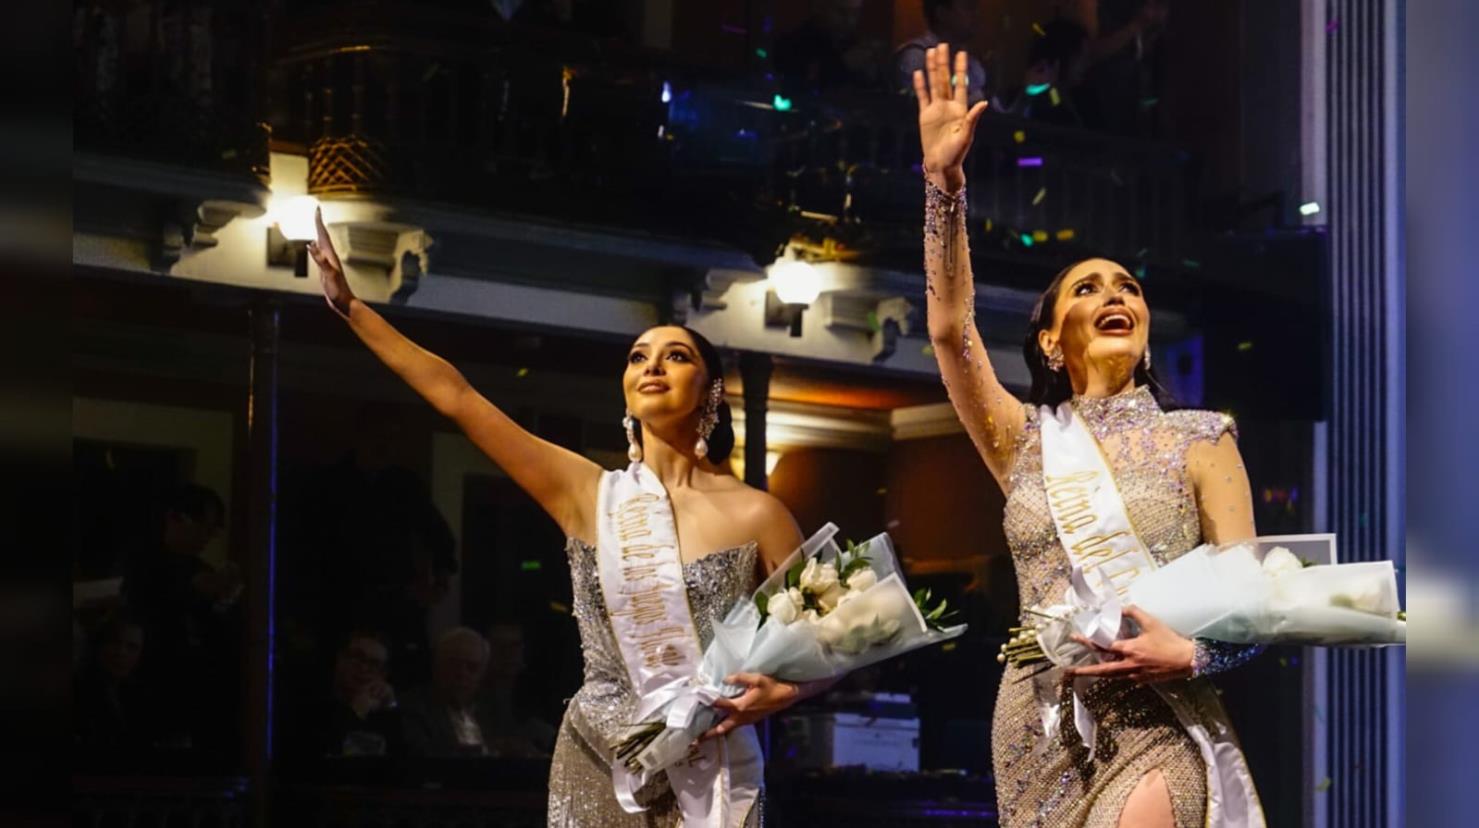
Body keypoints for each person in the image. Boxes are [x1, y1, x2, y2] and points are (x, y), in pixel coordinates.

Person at [307, 211, 825, 825]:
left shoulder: (758, 513)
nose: (651, 366)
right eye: (638, 357)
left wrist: (786, 694)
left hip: (709, 766)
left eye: (676, 355)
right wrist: (353, 310)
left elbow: (828, 645)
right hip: (600, 757)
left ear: (712, 391)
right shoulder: (589, 493)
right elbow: (459, 398)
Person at [912, 46, 1263, 827]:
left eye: (1128, 289)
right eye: (1087, 287)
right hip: (1034, 724)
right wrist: (945, 187)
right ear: (1047, 339)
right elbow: (946, 330)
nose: (1115, 296)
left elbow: (1252, 596)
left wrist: (1198, 654)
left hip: (1156, 716)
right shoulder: (1023, 439)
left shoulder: (1201, 438)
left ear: (1142, 328)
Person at [121, 483, 240, 759]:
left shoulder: (199, 568)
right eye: (205, 526)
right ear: (174, 518)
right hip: (150, 690)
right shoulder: (142, 563)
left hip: (199, 697)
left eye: (214, 529)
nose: (210, 536)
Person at [291, 629, 404, 759]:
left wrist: (391, 706)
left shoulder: (383, 712)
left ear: (383, 674)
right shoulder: (308, 706)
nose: (364, 668)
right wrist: (355, 712)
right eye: (357, 657)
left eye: (374, 664)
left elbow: (402, 764)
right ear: (340, 659)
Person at [400, 627, 496, 758]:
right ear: (436, 665)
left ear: (483, 673)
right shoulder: (413, 708)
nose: (462, 673)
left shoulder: (490, 708)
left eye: (472, 667)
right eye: (454, 664)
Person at [774, 0, 888, 94]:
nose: (850, 20)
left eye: (855, 13)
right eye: (841, 12)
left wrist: (872, 74)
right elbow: (797, 88)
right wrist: (843, 64)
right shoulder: (793, 44)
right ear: (818, 7)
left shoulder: (856, 45)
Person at [895, 0, 990, 107]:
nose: (976, 14)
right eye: (968, 8)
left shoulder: (971, 62)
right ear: (942, 14)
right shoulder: (917, 56)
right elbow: (914, 109)